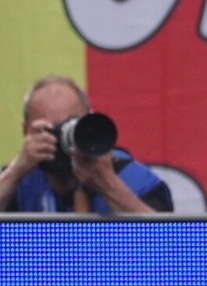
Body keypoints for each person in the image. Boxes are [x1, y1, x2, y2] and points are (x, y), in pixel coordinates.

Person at [2, 76, 173, 214]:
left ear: (88, 123)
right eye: (49, 130)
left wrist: (108, 184)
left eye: (68, 126)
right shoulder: (21, 181)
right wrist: (15, 172)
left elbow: (167, 247)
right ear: (26, 132)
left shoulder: (135, 180)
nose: (61, 140)